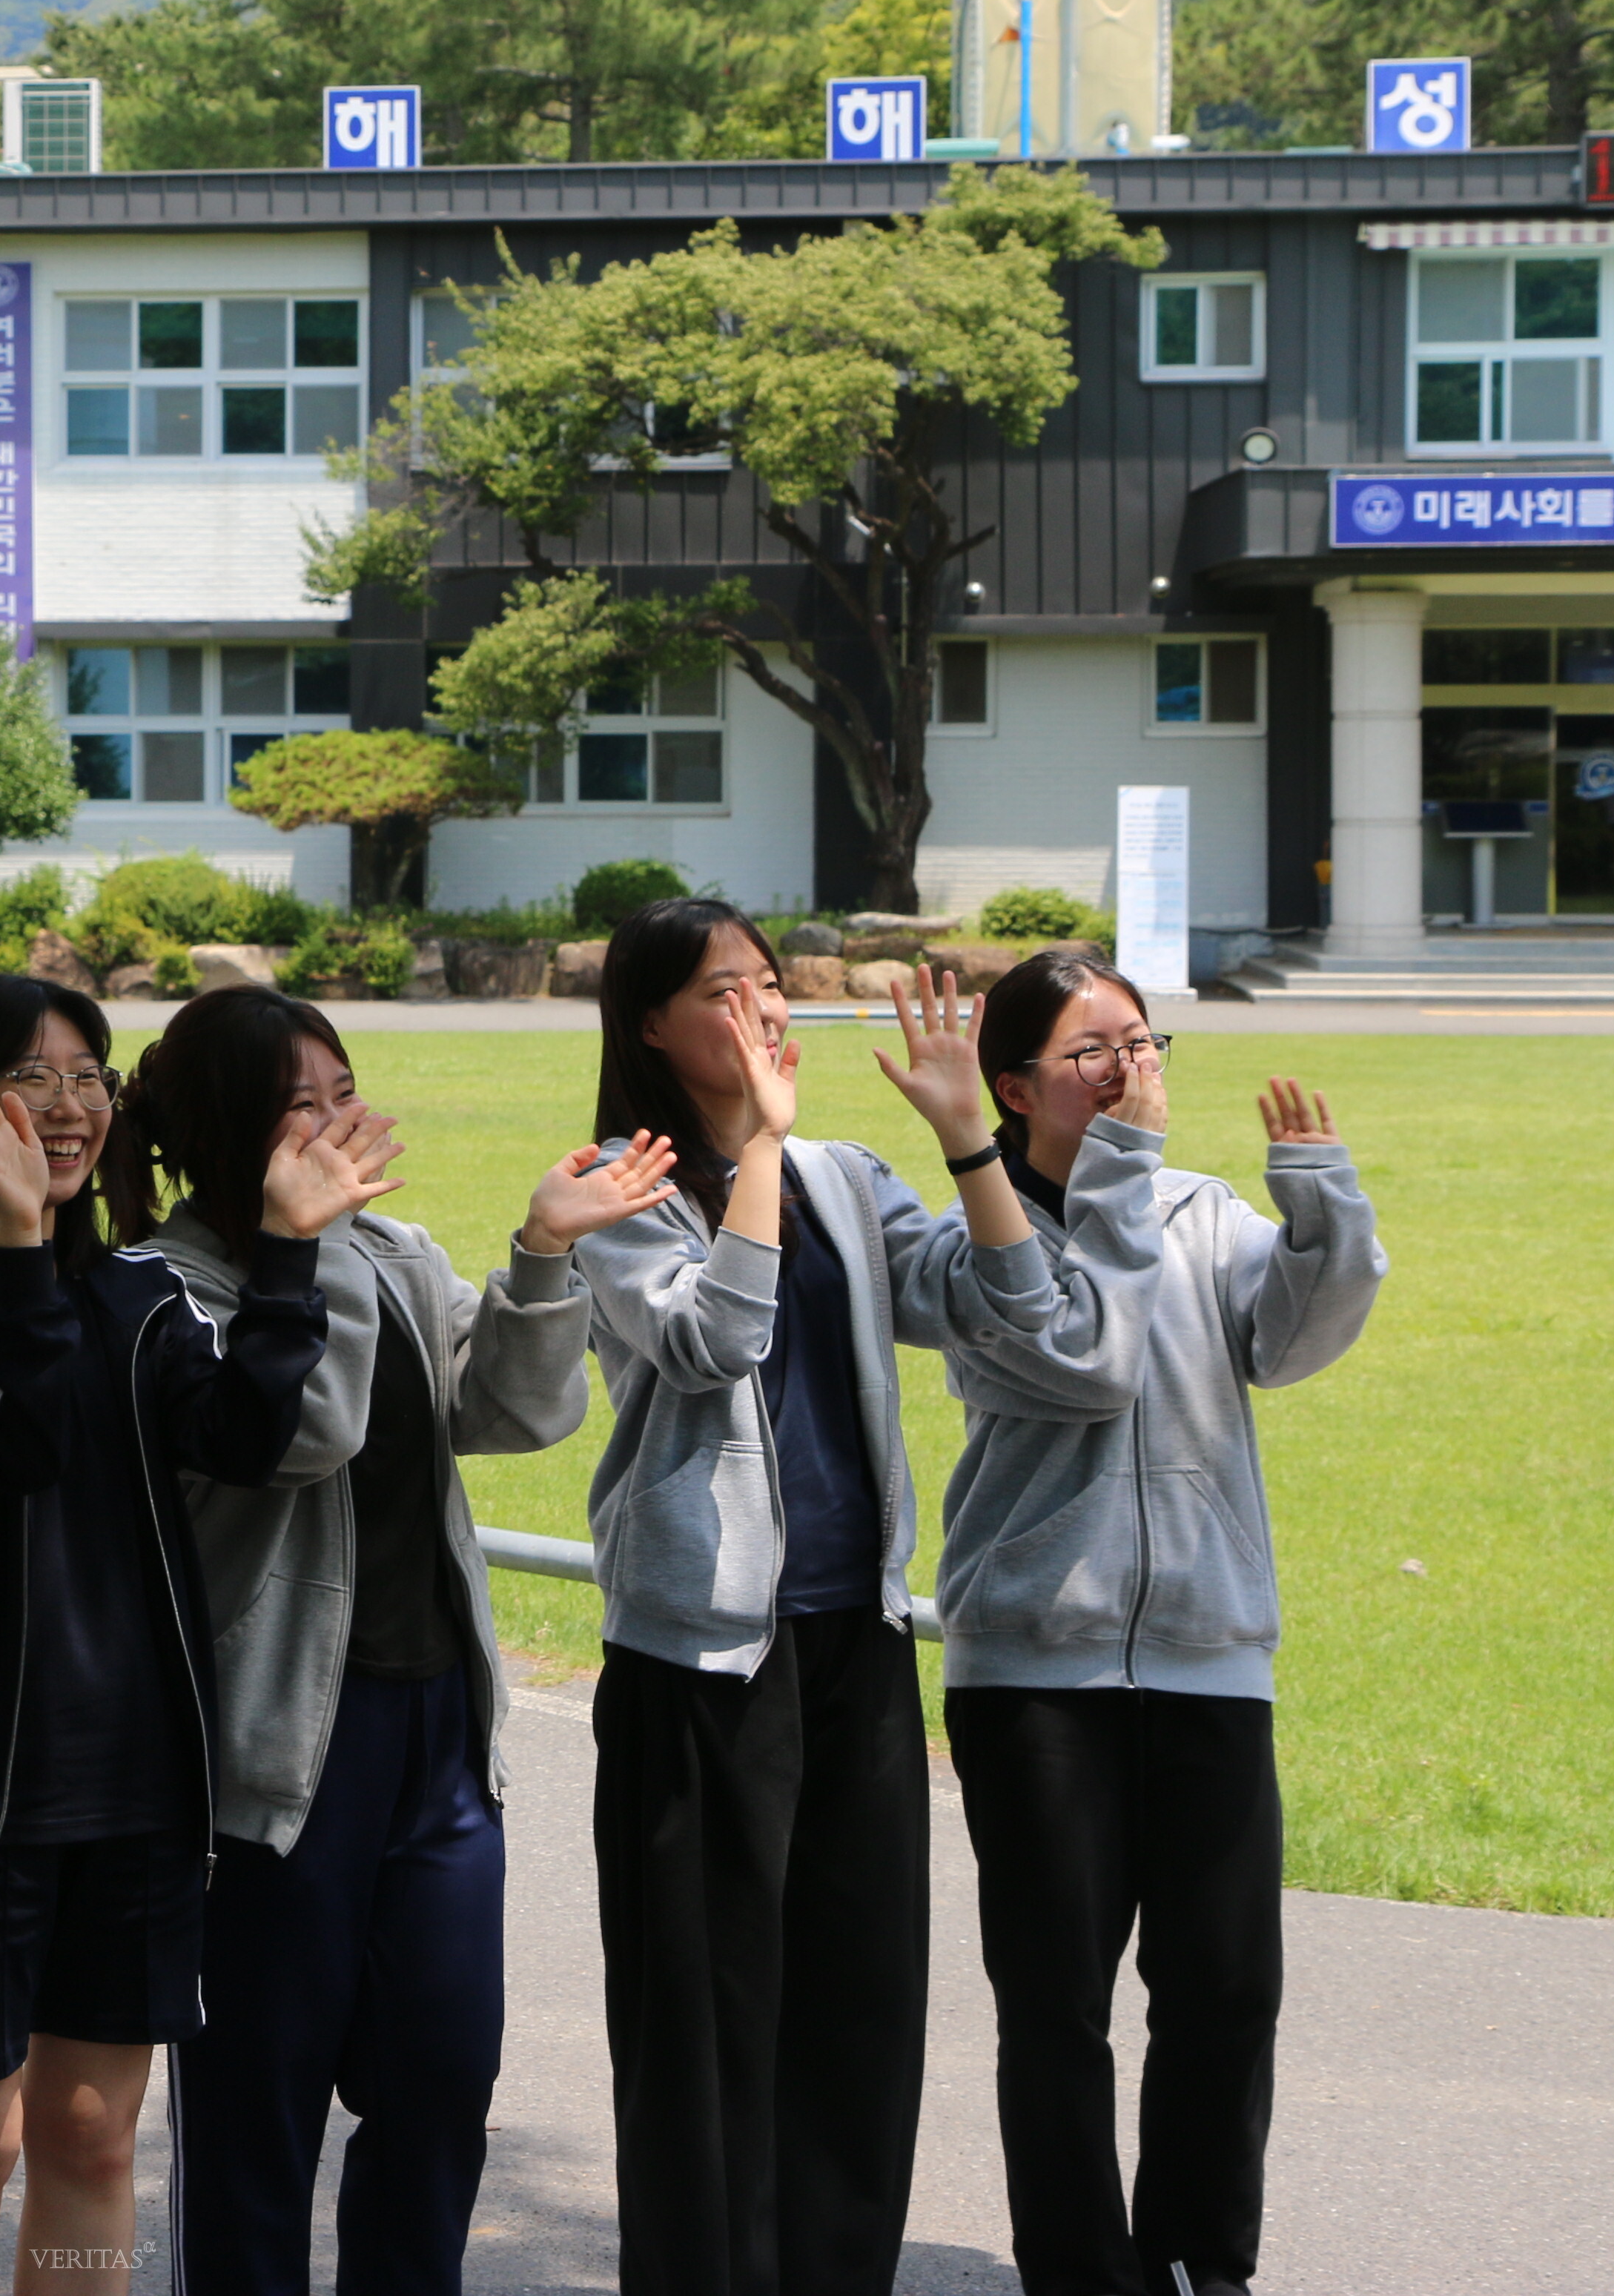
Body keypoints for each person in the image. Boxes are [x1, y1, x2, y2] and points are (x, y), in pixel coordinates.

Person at [570, 904, 1089, 2296]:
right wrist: (751, 1152)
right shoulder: (613, 1189)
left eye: (767, 983)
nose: (762, 1009)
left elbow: (1003, 1310)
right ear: (651, 1025)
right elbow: (712, 1334)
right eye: (724, 991)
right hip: (699, 1660)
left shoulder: (849, 1175)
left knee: (858, 2017)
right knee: (703, 2029)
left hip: (855, 1642)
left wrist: (969, 1140)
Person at [0, 975, 391, 2296]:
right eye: (33, 1077)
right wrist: (25, 1249)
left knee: (93, 2141)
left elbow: (251, 1441)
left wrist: (284, 1254)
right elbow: (10, 1439)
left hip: (139, 1792)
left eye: (89, 1075)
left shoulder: (138, 1293)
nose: (72, 1104)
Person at [125, 984, 669, 2295]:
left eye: (340, 1089)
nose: (335, 1123)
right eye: (294, 1103)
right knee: (258, 2118)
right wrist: (296, 1254)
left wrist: (543, 1251)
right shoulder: (162, 1290)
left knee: (438, 2083)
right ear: (223, 1128)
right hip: (272, 1759)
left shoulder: (396, 1253)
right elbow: (307, 1431)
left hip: (432, 1741)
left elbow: (514, 1409)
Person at [938, 947, 1386, 2296]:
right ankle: (1080, 2269)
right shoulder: (979, 1237)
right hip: (1033, 1668)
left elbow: (1296, 1337)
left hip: (1207, 1653)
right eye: (1095, 1052)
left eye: (1144, 1043)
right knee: (1058, 2005)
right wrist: (1120, 1175)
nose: (1134, 1071)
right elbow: (1090, 1357)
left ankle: (1201, 2256)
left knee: (1226, 1989)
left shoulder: (1200, 1211)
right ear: (1014, 1088)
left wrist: (1318, 1208)